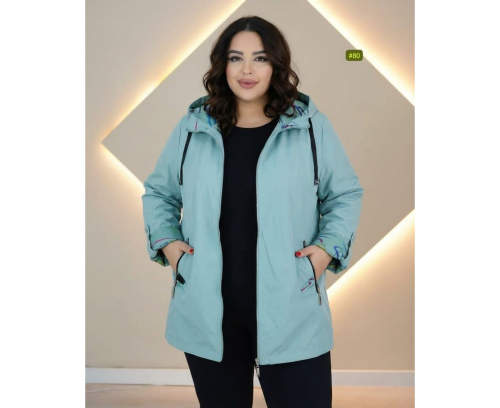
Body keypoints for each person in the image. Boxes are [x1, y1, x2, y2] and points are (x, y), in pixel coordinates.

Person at [142, 15, 363, 408]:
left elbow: (344, 194)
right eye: (236, 58)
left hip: (291, 306)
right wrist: (171, 247)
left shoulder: (310, 127)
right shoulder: (193, 128)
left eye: (259, 58)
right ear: (222, 65)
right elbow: (159, 192)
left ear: (276, 65)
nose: (247, 70)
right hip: (210, 312)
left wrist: (324, 252)